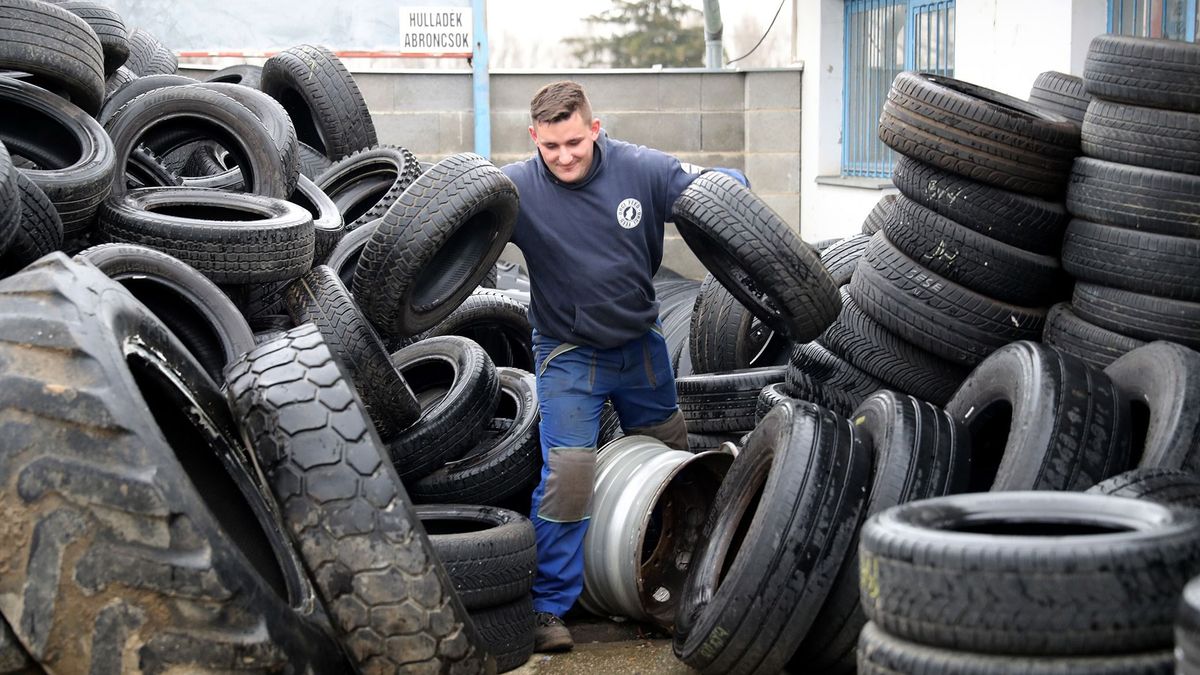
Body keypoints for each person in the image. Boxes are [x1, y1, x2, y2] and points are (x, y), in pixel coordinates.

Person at [501, 81, 745, 653]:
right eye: (550, 147)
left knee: (675, 455)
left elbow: (721, 191)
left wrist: (745, 212)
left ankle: (688, 576)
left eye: (574, 143)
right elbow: (446, 218)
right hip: (566, 353)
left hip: (640, 346)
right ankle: (548, 606)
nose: (563, 157)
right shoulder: (514, 188)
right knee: (570, 473)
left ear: (595, 128)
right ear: (534, 139)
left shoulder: (642, 170)